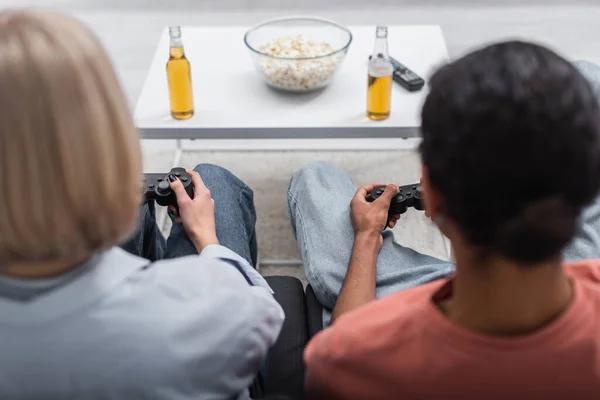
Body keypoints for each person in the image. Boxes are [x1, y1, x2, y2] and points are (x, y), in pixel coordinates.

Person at [288, 42, 600, 398]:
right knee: (588, 77)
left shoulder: (352, 357)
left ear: (432, 197)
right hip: (559, 283)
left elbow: (349, 334)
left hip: (444, 307)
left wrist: (366, 239)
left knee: (315, 179)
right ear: (587, 187)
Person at [0, 10, 284, 399]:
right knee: (211, 178)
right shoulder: (209, 302)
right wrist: (209, 243)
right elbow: (264, 317)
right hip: (205, 344)